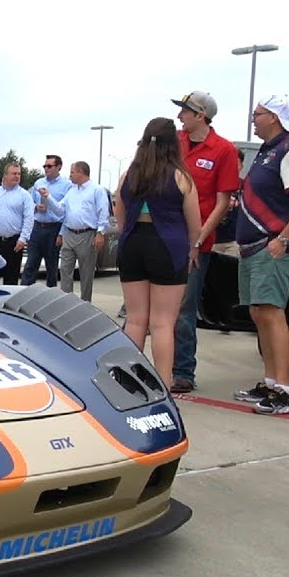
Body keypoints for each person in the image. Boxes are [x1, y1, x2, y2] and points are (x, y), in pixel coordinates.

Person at [232, 94, 289, 415]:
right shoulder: (268, 152)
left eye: (258, 114)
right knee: (259, 312)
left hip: (274, 246)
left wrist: (284, 237)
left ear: (274, 117)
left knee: (271, 311)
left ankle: (284, 389)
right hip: (254, 246)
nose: (253, 118)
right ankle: (270, 382)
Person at [113, 117, 202, 385]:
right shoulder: (180, 176)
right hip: (167, 247)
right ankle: (163, 383)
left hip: (132, 245)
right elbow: (194, 225)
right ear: (173, 143)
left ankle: (126, 382)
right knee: (163, 323)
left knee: (135, 319)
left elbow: (120, 215)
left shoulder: (129, 175)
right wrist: (192, 251)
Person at [167, 91, 240, 393]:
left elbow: (223, 201)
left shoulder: (223, 150)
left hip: (196, 242)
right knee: (157, 308)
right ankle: (158, 366)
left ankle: (183, 371)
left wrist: (198, 239)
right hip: (165, 236)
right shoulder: (174, 142)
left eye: (184, 111)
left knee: (184, 307)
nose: (179, 116)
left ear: (201, 115)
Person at [40, 161, 110, 302]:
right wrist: (48, 197)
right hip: (70, 234)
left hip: (87, 234)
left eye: (72, 172)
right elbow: (60, 210)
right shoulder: (71, 191)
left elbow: (104, 212)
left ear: (81, 172)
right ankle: (67, 303)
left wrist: (100, 233)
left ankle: (85, 304)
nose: (70, 175)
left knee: (86, 273)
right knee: (65, 270)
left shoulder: (97, 190)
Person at [22, 155, 70, 286]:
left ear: (58, 167)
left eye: (49, 166)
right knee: (31, 263)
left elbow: (66, 212)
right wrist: (36, 207)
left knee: (52, 265)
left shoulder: (67, 185)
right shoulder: (39, 183)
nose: (46, 169)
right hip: (37, 227)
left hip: (54, 227)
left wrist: (61, 233)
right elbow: (29, 203)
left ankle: (50, 295)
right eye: (45, 166)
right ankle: (25, 293)